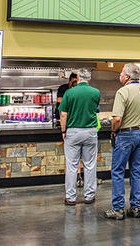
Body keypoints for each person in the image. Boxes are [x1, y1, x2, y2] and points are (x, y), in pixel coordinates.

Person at [104, 63, 140, 220]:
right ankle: (136, 207)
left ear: (126, 76)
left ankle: (119, 209)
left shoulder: (123, 92)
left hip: (125, 135)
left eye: (121, 73)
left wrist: (114, 130)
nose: (120, 75)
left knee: (118, 171)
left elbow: (117, 118)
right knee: (137, 171)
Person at [58, 68, 100, 205]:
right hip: (90, 132)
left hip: (73, 132)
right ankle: (89, 196)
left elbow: (63, 114)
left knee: (71, 166)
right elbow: (95, 110)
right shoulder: (96, 92)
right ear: (89, 78)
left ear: (77, 77)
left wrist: (63, 131)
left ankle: (71, 198)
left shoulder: (69, 93)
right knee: (90, 165)